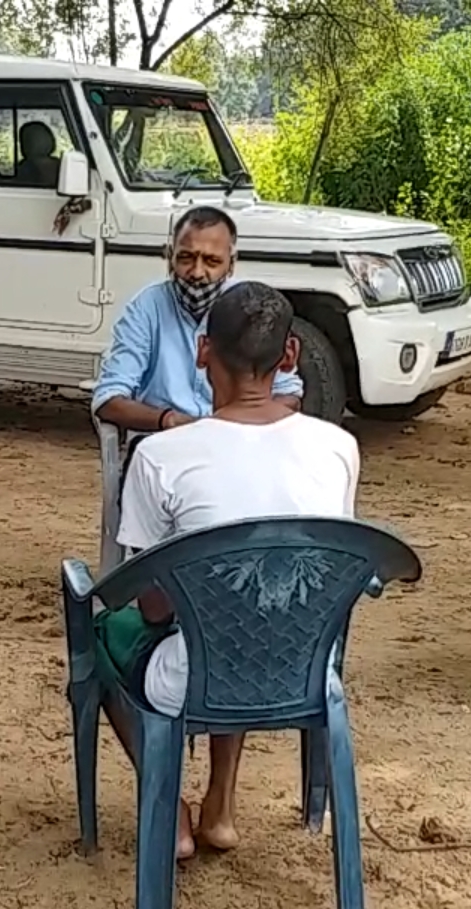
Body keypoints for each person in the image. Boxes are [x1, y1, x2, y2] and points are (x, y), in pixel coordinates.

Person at [95, 281, 359, 857]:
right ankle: (221, 805)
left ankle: (167, 804)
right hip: (307, 669)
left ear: (202, 350)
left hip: (193, 676)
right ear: (290, 357)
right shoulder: (338, 447)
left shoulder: (162, 456)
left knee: (105, 633)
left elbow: (151, 604)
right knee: (251, 611)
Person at [91, 207, 304, 435]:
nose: (197, 273)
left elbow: (289, 394)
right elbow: (108, 399)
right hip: (163, 441)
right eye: (186, 258)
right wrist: (169, 420)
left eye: (212, 261)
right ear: (169, 256)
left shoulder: (250, 307)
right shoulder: (146, 307)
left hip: (237, 440)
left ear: (231, 264)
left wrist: (233, 424)